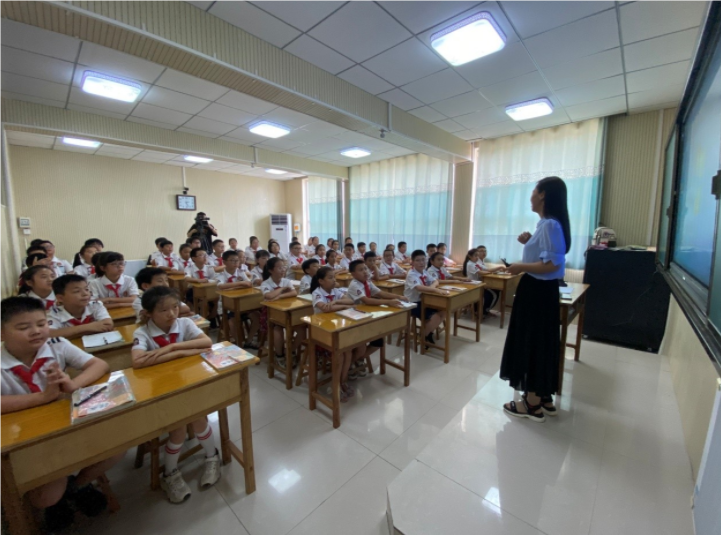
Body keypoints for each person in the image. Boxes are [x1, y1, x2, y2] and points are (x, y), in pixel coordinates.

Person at [0, 296, 122, 531]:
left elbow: (99, 365)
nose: (36, 331)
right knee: (45, 497)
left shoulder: (56, 344)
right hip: (24, 440)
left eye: (42, 324)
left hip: (64, 425)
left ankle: (76, 486)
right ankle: (59, 496)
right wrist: (41, 398)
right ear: (1, 333)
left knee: (117, 443)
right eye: (24, 327)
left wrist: (73, 384)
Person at [131, 287, 219, 502]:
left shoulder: (184, 323)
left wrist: (173, 349)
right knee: (177, 430)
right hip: (162, 390)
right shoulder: (142, 332)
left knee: (199, 419)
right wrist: (185, 352)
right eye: (163, 310)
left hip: (190, 382)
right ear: (148, 313)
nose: (171, 314)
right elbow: (138, 361)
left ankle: (212, 457)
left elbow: (207, 343)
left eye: (174, 307)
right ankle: (169, 473)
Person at [500, 176, 571, 423]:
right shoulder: (547, 225)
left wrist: (519, 266)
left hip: (537, 291)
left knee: (531, 341)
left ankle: (531, 404)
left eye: (533, 191)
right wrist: (530, 242)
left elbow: (551, 265)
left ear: (542, 195)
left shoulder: (550, 224)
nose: (530, 196)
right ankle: (543, 396)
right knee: (541, 341)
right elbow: (546, 257)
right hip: (542, 291)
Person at [310, 266, 357, 400]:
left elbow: (350, 301)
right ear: (321, 281)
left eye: (334, 277)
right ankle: (335, 384)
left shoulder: (336, 291)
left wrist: (337, 301)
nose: (334, 280)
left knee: (348, 351)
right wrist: (344, 306)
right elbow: (325, 308)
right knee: (340, 355)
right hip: (322, 332)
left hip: (337, 329)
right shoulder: (317, 293)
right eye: (330, 278)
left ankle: (342, 381)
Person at [260, 257, 302, 367]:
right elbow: (269, 296)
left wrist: (279, 296)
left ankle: (290, 351)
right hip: (270, 314)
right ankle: (279, 355)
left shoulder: (286, 281)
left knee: (302, 329)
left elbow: (294, 293)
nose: (283, 270)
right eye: (279, 268)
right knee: (277, 329)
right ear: (271, 270)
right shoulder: (265, 283)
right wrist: (282, 289)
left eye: (283, 267)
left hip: (287, 311)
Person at [404, 250, 448, 346]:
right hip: (413, 303)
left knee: (444, 310)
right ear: (412, 262)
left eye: (423, 260)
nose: (421, 262)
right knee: (435, 317)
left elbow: (436, 281)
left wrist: (431, 288)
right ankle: (424, 336)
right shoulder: (411, 274)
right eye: (418, 260)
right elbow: (419, 288)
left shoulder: (424, 272)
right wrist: (434, 290)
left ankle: (427, 333)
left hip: (425, 300)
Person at [216, 250, 258, 348]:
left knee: (257, 317)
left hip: (243, 304)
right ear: (224, 262)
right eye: (232, 260)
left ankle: (249, 340)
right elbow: (221, 286)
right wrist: (240, 283)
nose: (235, 263)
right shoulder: (221, 275)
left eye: (237, 260)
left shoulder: (241, 272)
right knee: (232, 322)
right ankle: (239, 344)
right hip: (227, 307)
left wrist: (240, 284)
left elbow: (249, 283)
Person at [47, 275, 113, 338]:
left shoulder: (95, 305)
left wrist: (68, 333)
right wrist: (90, 327)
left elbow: (108, 325)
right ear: (60, 298)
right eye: (77, 291)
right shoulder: (54, 314)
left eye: (86, 289)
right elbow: (50, 334)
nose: (85, 294)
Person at [464, 247, 504, 316]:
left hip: (478, 284)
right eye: (475, 256)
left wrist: (499, 267)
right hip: (473, 286)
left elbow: (487, 270)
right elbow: (481, 272)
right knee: (493, 293)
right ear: (470, 256)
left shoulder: (476, 263)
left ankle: (484, 310)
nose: (477, 257)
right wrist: (492, 272)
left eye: (477, 256)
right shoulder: (470, 264)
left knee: (496, 290)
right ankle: (483, 311)